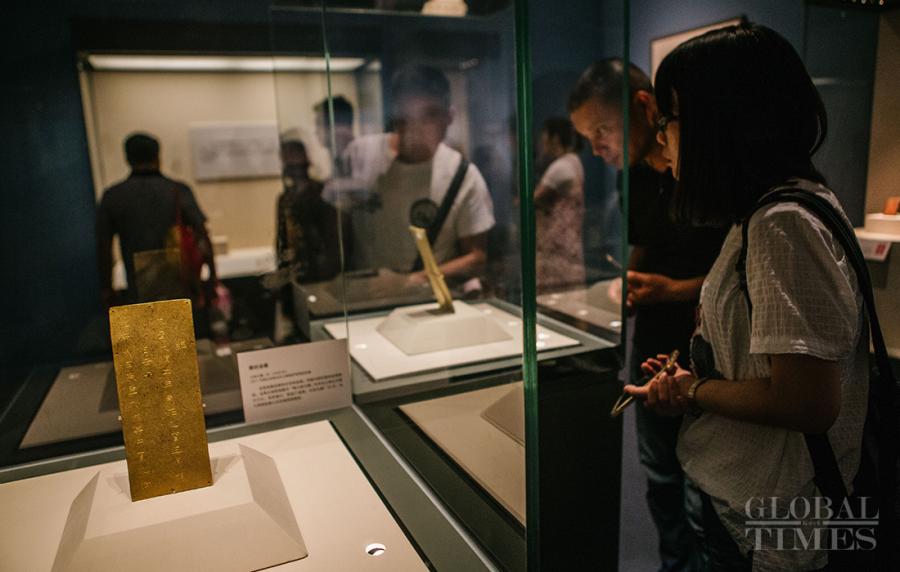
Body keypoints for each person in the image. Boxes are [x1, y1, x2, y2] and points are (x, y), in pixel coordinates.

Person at [625, 23, 868, 571]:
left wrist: (696, 390)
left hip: (773, 521)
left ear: (718, 124)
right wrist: (703, 370)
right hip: (755, 505)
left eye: (669, 121)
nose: (662, 137)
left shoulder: (782, 223)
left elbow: (808, 401)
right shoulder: (772, 211)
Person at [568, 59, 727, 572]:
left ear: (644, 107)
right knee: (660, 477)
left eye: (601, 131)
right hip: (655, 340)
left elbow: (740, 273)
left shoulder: (708, 171)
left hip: (711, 349)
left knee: (706, 490)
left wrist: (671, 289)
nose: (597, 148)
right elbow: (643, 249)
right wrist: (630, 285)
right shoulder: (636, 176)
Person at [341, 65, 495, 292]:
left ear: (448, 117)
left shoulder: (464, 176)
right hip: (363, 295)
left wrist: (411, 281)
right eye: (406, 116)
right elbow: (336, 231)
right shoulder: (359, 155)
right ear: (394, 117)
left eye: (429, 115)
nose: (415, 128)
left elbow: (476, 257)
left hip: (428, 302)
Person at [96, 133, 218, 327]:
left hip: (139, 285)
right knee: (185, 340)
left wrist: (106, 288)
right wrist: (212, 277)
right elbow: (202, 234)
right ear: (158, 156)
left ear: (127, 159)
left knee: (150, 347)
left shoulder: (114, 196)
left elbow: (104, 247)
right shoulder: (177, 190)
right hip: (180, 281)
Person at [533, 117, 585, 294]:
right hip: (565, 245)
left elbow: (533, 199)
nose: (542, 142)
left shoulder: (561, 167)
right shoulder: (574, 161)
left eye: (545, 137)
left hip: (557, 248)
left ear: (554, 138)